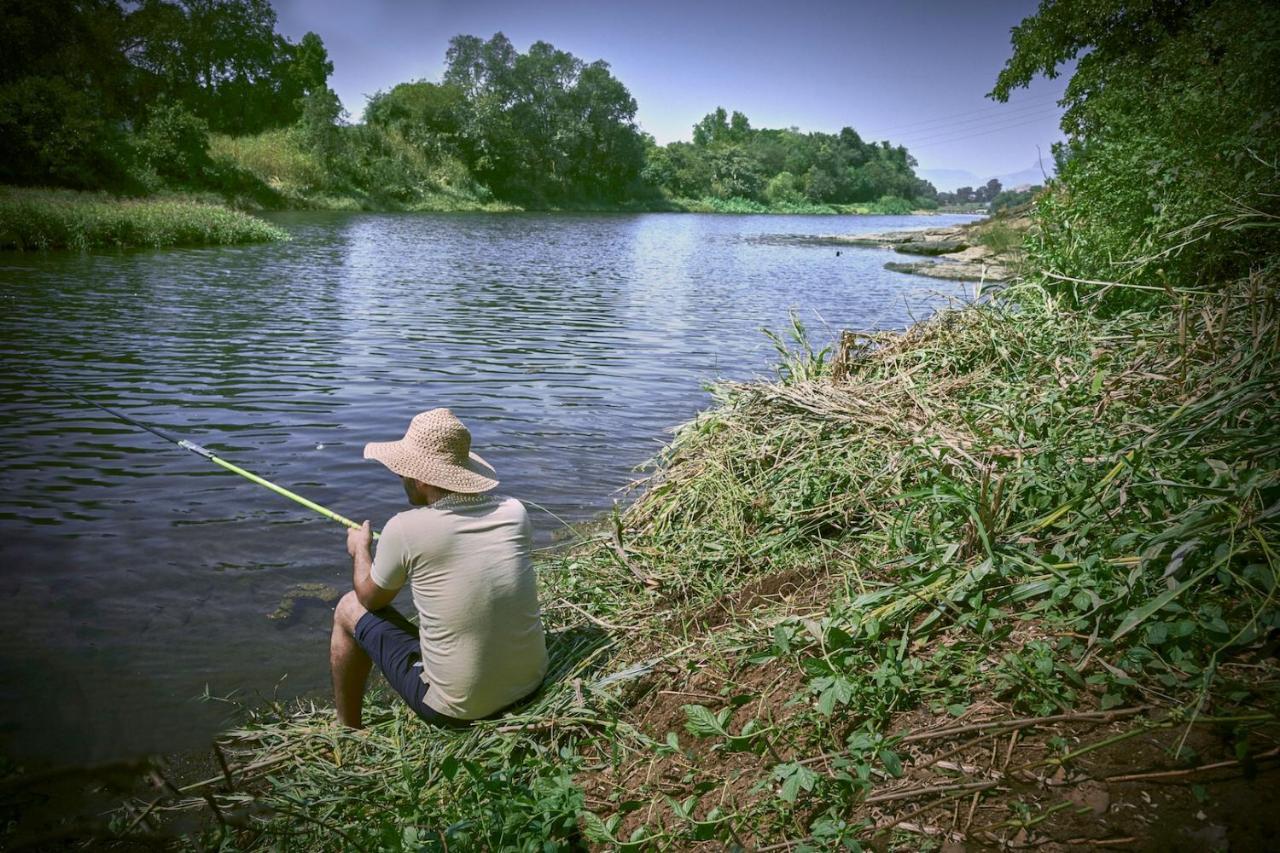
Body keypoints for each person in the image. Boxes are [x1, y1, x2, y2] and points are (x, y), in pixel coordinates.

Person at [329, 408, 547, 729]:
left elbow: (371, 599)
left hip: (457, 710)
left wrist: (360, 550)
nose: (401, 478)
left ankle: (347, 727)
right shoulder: (515, 511)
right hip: (531, 685)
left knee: (348, 607)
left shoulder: (404, 528)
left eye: (403, 471)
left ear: (420, 477)